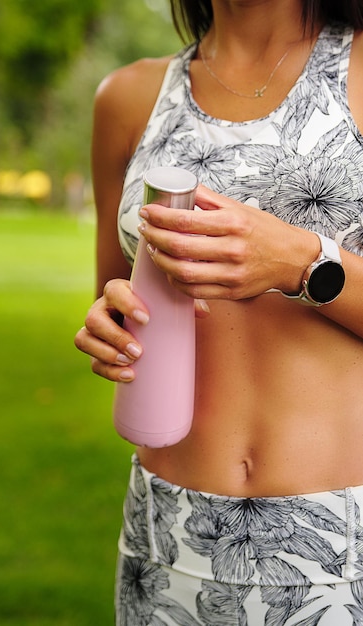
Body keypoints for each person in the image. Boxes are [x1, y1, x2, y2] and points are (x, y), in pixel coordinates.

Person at [74, 0, 363, 623]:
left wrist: (304, 264)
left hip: (342, 551)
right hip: (167, 539)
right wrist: (110, 323)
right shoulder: (127, 97)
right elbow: (115, 294)